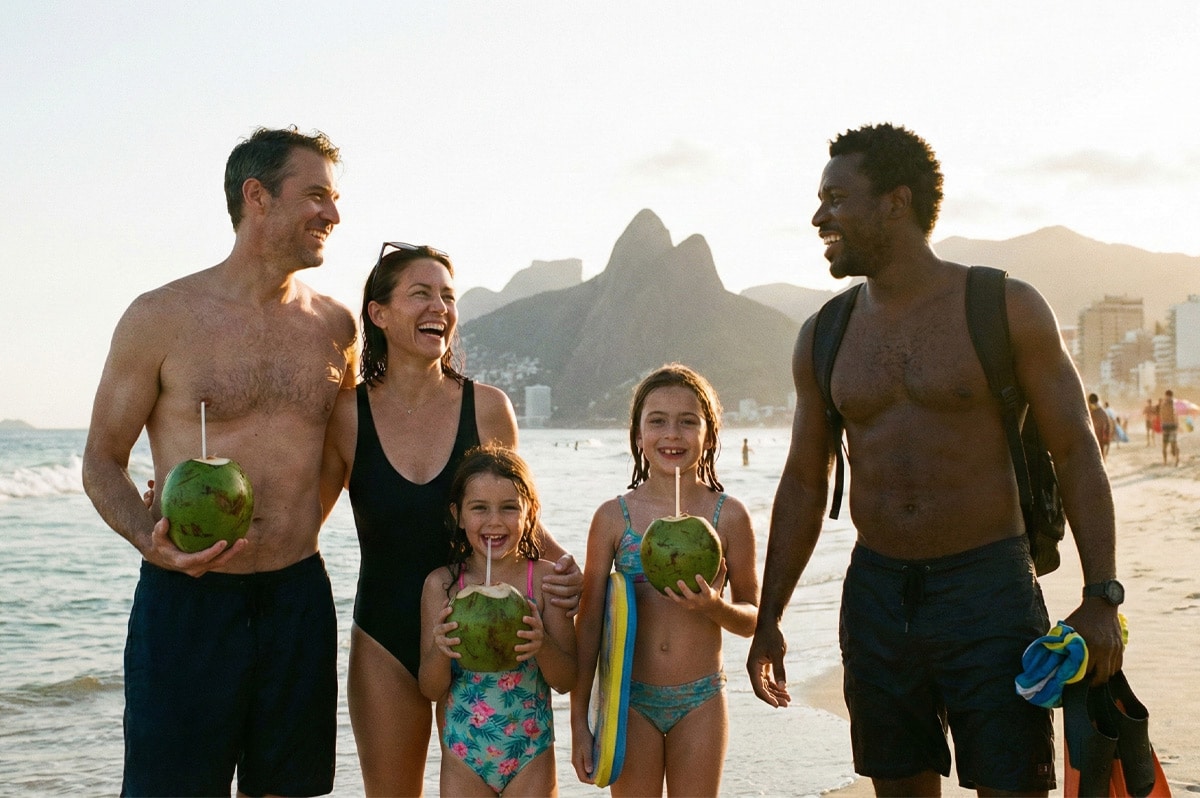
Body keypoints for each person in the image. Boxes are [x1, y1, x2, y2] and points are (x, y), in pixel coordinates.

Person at [745, 123, 1124, 796]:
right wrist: (771, 615)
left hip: (989, 591)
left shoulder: (1003, 306)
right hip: (877, 596)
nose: (818, 216)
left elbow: (1076, 453)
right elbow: (805, 480)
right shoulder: (825, 334)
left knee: (1013, 783)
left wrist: (1101, 596)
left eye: (835, 198)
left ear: (895, 202)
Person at [82, 127, 355, 796]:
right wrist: (152, 542)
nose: (334, 215)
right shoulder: (161, 317)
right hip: (188, 603)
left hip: (297, 599)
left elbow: (338, 459)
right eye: (315, 195)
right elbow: (101, 461)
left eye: (336, 198)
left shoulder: (338, 328)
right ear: (257, 196)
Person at [321, 242, 582, 796]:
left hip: (481, 634)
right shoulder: (347, 414)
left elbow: (519, 518)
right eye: (421, 294)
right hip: (385, 636)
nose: (439, 306)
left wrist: (569, 569)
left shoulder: (487, 407)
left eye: (447, 296)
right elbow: (302, 517)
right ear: (379, 313)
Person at [572, 364, 759, 796]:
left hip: (702, 700)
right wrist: (580, 720)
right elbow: (589, 624)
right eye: (657, 421)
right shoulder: (612, 518)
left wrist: (715, 607)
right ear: (638, 436)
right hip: (629, 702)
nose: (671, 434)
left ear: (708, 435)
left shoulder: (728, 516)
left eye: (687, 421)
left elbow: (752, 617)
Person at [418, 444, 576, 796]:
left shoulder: (546, 582)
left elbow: (566, 679)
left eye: (509, 508)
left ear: (530, 512)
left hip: (530, 750)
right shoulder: (442, 586)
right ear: (458, 515)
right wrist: (441, 650)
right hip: (463, 753)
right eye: (479, 509)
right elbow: (430, 689)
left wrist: (542, 644)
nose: (494, 521)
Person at [1089, 393, 1113, 461]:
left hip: (1099, 439)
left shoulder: (1094, 413)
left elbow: (1107, 427)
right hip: (1098, 439)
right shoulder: (1102, 412)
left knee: (1100, 458)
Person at [1160, 389, 1179, 466]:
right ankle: (1165, 461)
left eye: (1169, 396)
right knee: (1165, 445)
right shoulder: (1163, 404)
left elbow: (1175, 415)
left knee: (1173, 444)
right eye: (1167, 396)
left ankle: (1177, 459)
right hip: (1166, 426)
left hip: (1172, 426)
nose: (1168, 398)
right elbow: (1162, 415)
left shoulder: (1173, 404)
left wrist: (1177, 424)